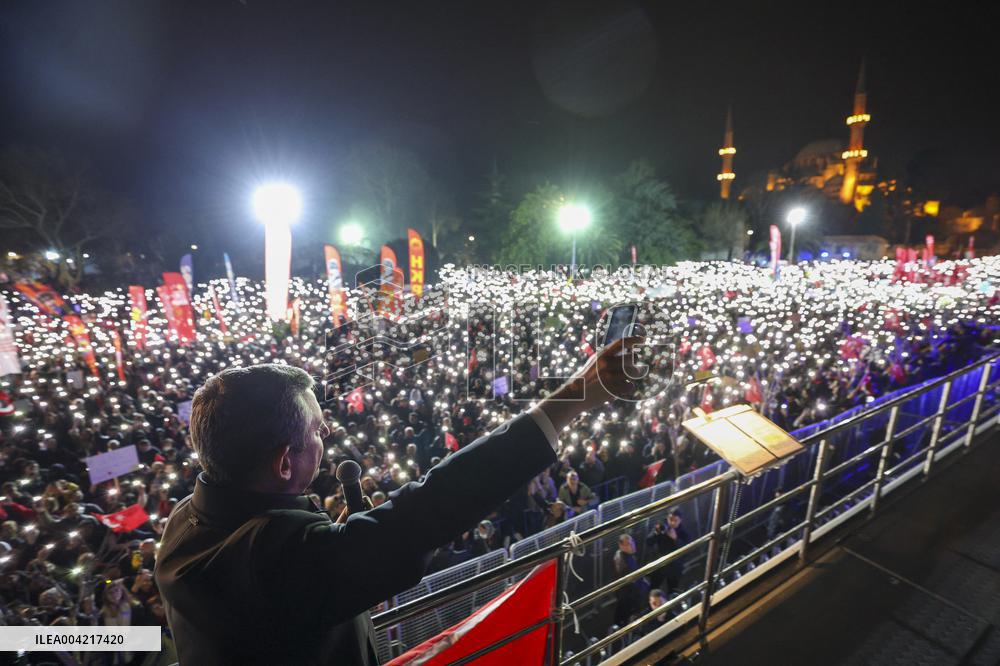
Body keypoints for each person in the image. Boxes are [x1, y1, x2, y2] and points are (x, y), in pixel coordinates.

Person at [156, 338, 639, 665]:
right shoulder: (281, 558)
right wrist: (578, 395)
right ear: (285, 463)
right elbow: (431, 508)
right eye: (317, 430)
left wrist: (340, 549)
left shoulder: (183, 522)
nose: (326, 434)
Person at [646, 509, 689, 593]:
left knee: (672, 590)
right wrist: (656, 533)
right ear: (667, 518)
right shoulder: (661, 527)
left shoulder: (683, 532)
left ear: (680, 520)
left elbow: (686, 550)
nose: (672, 522)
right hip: (659, 565)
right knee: (654, 589)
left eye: (675, 520)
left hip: (674, 567)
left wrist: (676, 539)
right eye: (670, 519)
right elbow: (649, 542)